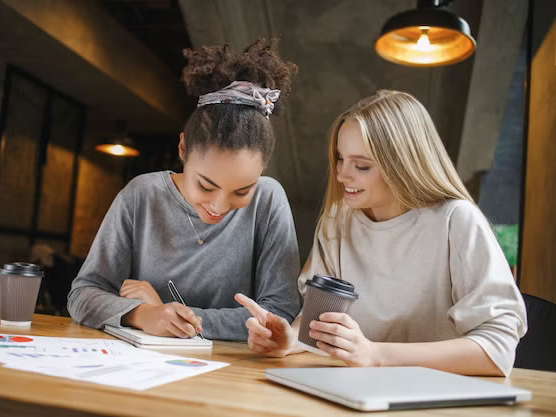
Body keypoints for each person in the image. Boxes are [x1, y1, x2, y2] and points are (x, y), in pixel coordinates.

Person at [236, 90, 527, 376]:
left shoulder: (456, 220)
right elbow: (319, 323)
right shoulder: (337, 222)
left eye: (361, 165)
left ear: (402, 164)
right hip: (357, 391)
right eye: (340, 158)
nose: (342, 175)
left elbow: (497, 351)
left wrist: (375, 355)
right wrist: (291, 340)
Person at [68, 39, 300, 341]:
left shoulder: (268, 201)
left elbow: (279, 314)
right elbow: (82, 295)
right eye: (206, 185)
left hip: (233, 376)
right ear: (182, 149)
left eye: (242, 191)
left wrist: (171, 312)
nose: (218, 205)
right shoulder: (142, 195)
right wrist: (144, 314)